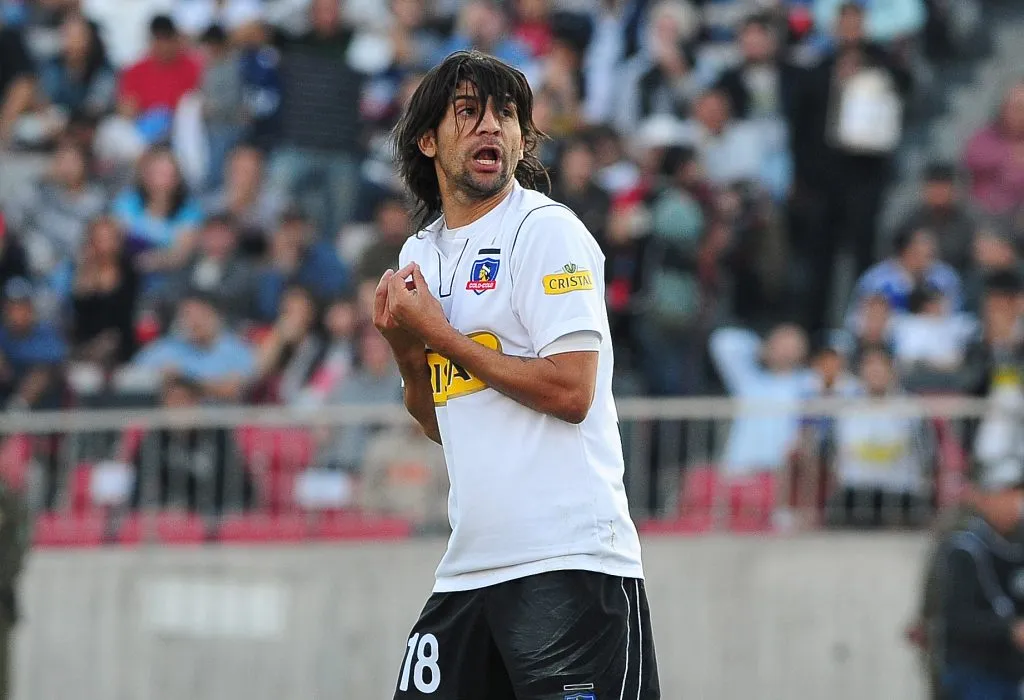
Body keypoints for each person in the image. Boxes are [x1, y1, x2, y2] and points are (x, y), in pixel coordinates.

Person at [377, 51, 658, 698]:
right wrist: (404, 347)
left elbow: (571, 391)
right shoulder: (419, 254)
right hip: (470, 568)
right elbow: (438, 421)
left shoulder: (546, 232)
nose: (491, 128)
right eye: (468, 113)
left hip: (569, 564)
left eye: (505, 115)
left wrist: (441, 334)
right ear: (428, 140)